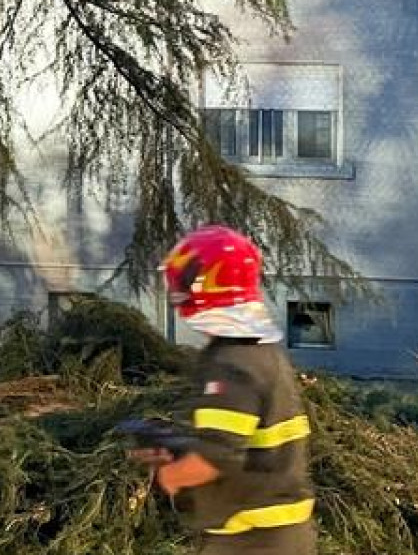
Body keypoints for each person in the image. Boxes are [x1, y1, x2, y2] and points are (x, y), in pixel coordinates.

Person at [129, 225, 316, 555]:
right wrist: (176, 446)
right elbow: (240, 436)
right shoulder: (259, 351)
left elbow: (217, 454)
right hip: (279, 532)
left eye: (181, 284)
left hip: (251, 539)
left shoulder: (232, 363)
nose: (175, 295)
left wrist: (171, 476)